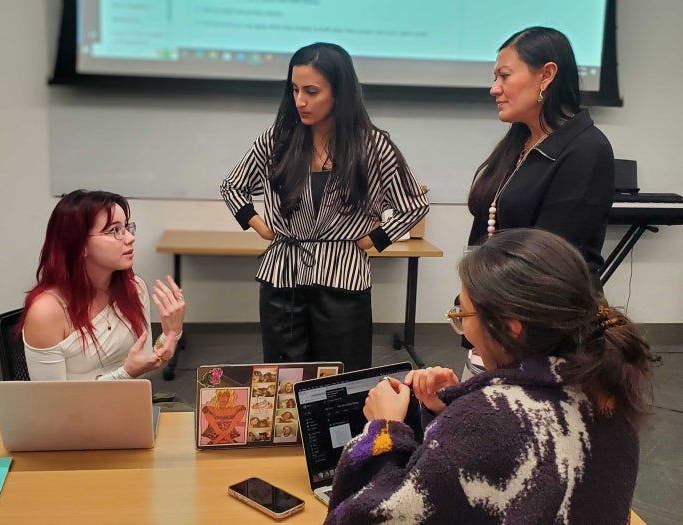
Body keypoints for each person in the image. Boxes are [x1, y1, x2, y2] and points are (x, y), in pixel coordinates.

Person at [324, 228, 653, 525]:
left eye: (463, 314)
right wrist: (449, 412)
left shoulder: (490, 418)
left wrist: (383, 432)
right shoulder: (607, 389)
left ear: (511, 328)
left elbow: (372, 517)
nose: (464, 328)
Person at [220, 42, 428, 371]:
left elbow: (414, 204)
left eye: (312, 91)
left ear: (339, 92)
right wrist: (258, 225)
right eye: (294, 90)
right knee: (283, 380)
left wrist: (375, 239)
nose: (300, 101)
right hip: (282, 276)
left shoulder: (372, 146)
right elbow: (232, 186)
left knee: (341, 377)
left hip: (344, 279)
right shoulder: (277, 140)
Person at [462, 26, 615, 377]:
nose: (494, 88)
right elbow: (487, 232)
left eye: (504, 75)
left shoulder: (586, 149)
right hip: (498, 320)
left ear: (546, 75)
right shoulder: (520, 141)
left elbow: (550, 259)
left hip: (542, 334)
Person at [21, 190, 186, 380]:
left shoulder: (134, 287)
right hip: (75, 410)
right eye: (114, 230)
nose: (130, 238)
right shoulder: (46, 312)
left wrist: (171, 334)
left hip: (131, 405)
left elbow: (142, 363)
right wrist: (125, 374)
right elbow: (52, 403)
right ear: (80, 245)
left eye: (126, 227)